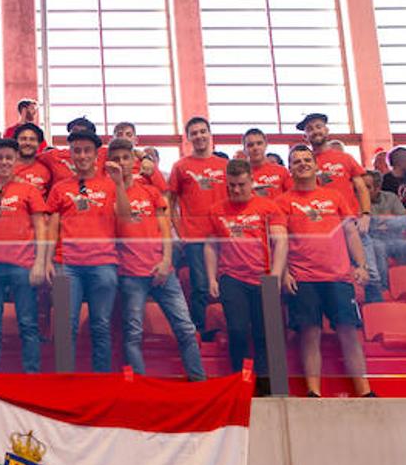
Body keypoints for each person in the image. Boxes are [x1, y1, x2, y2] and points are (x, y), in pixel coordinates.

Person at [276, 145, 373, 398]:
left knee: (349, 332)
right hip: (303, 278)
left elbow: (351, 233)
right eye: (296, 161)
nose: (303, 164)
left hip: (338, 276)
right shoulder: (283, 202)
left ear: (316, 165)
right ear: (290, 168)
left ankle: (365, 391)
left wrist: (361, 265)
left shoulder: (335, 197)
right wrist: (285, 272)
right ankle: (313, 391)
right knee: (310, 334)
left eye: (307, 160)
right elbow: (279, 241)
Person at [110, 139, 206, 380]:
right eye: (117, 158)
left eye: (126, 157)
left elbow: (165, 230)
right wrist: (119, 184)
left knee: (185, 328)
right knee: (133, 333)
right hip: (131, 274)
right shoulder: (107, 193)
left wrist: (166, 262)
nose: (122, 162)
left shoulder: (151, 191)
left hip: (163, 271)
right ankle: (141, 386)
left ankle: (198, 381)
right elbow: (122, 216)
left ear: (133, 160)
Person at [0, 138, 50, 373]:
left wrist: (39, 263)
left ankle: (32, 376)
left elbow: (41, 228)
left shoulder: (29, 190)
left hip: (23, 265)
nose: (4, 162)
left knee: (27, 323)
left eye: (8, 157)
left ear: (15, 161)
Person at [206, 159, 288, 380]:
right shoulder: (216, 210)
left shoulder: (269, 207)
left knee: (264, 334)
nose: (236, 189)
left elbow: (280, 242)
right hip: (231, 278)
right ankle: (239, 380)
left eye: (241, 184)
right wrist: (211, 278)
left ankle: (264, 383)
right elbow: (211, 246)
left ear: (252, 181)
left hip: (264, 277)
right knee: (237, 330)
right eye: (231, 185)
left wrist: (276, 276)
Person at [46, 130, 118, 372]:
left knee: (101, 324)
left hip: (104, 263)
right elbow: (52, 227)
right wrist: (47, 261)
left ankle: (102, 381)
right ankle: (65, 381)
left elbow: (128, 219)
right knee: (66, 327)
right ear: (71, 155)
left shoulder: (111, 186)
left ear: (97, 155)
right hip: (66, 265)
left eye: (87, 150)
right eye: (77, 150)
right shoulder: (59, 188)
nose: (82, 155)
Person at [167, 116, 227, 335]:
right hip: (195, 238)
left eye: (203, 131)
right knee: (200, 286)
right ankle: (199, 331)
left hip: (224, 236)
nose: (199, 136)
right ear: (189, 138)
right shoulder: (181, 166)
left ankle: (227, 329)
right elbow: (169, 203)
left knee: (227, 286)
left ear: (210, 134)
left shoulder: (225, 166)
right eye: (194, 133)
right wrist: (180, 231)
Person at [363, 170, 406, 302]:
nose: (363, 191)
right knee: (377, 248)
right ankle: (383, 291)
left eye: (368, 187)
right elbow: (365, 227)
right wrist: (388, 219)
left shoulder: (391, 198)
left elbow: (404, 220)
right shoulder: (357, 200)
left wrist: (381, 221)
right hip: (372, 240)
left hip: (395, 239)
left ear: (378, 188)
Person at [298, 114, 371, 223]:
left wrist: (366, 214)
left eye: (319, 127)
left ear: (326, 130)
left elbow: (361, 187)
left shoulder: (346, 158)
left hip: (350, 218)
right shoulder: (304, 163)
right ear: (305, 136)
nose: (315, 131)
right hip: (321, 221)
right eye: (310, 129)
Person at [243, 128, 292, 199]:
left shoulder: (281, 171)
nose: (255, 148)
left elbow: (292, 197)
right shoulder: (240, 175)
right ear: (244, 149)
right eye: (250, 145)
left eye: (259, 143)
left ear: (266, 145)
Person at [11, 123, 54, 196]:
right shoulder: (6, 168)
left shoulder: (46, 170)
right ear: (16, 143)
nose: (28, 143)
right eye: (23, 139)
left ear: (39, 144)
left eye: (32, 139)